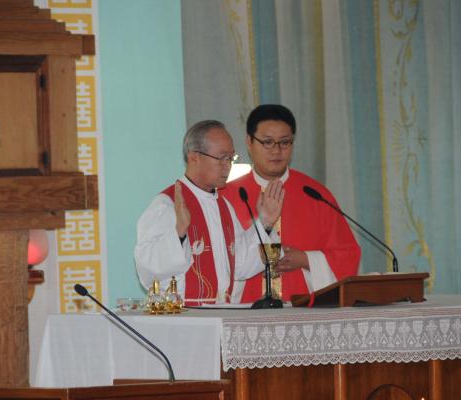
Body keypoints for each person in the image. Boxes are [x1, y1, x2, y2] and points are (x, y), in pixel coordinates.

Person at [221, 104, 361, 303]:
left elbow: (347, 255)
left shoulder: (315, 194)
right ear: (249, 142)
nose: (276, 150)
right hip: (245, 312)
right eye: (267, 142)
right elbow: (217, 261)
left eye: (285, 142)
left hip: (303, 310)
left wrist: (306, 259)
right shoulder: (227, 196)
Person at [135, 120, 284, 305]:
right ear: (194, 157)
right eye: (221, 158)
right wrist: (179, 234)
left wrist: (265, 223)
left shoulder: (224, 206)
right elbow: (146, 268)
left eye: (231, 158)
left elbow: (241, 265)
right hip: (184, 315)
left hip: (222, 313)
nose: (227, 165)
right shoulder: (167, 204)